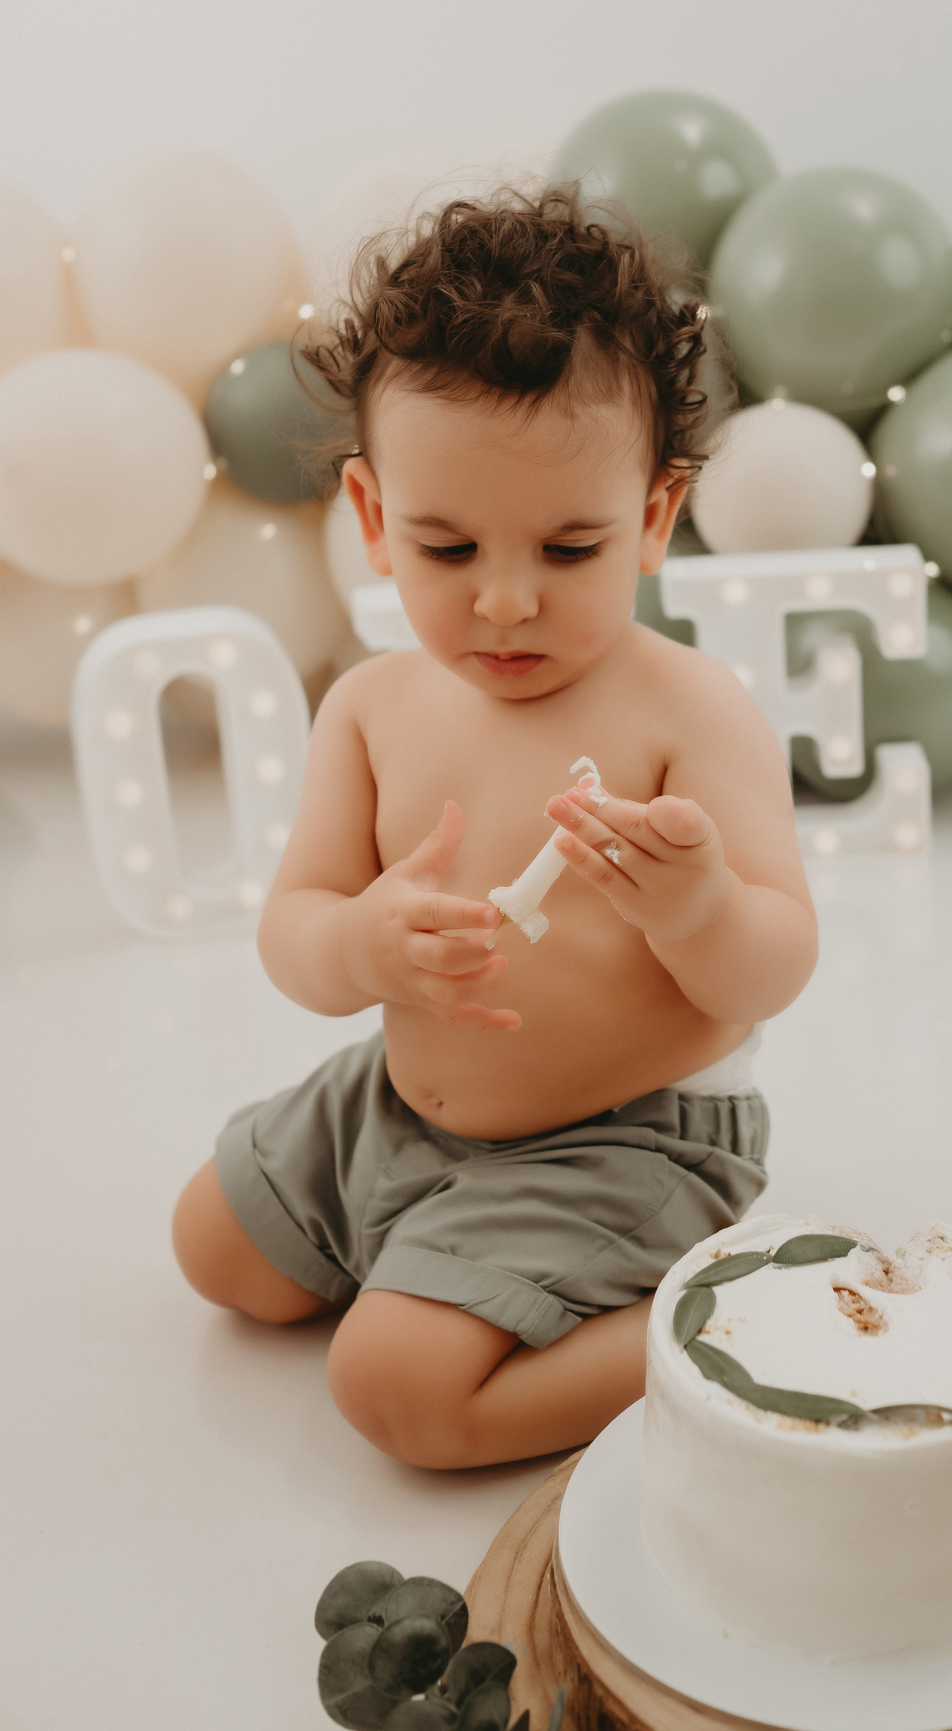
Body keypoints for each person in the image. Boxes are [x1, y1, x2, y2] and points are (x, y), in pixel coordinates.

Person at [172, 187, 818, 1469]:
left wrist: (697, 910)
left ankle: (729, 1321)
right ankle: (442, 1253)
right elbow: (295, 930)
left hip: (621, 1137)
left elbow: (776, 965)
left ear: (653, 517)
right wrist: (359, 946)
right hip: (398, 1108)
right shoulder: (368, 708)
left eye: (570, 549)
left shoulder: (689, 710)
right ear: (373, 520)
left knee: (398, 1394)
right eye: (449, 547)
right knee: (217, 1253)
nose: (508, 600)